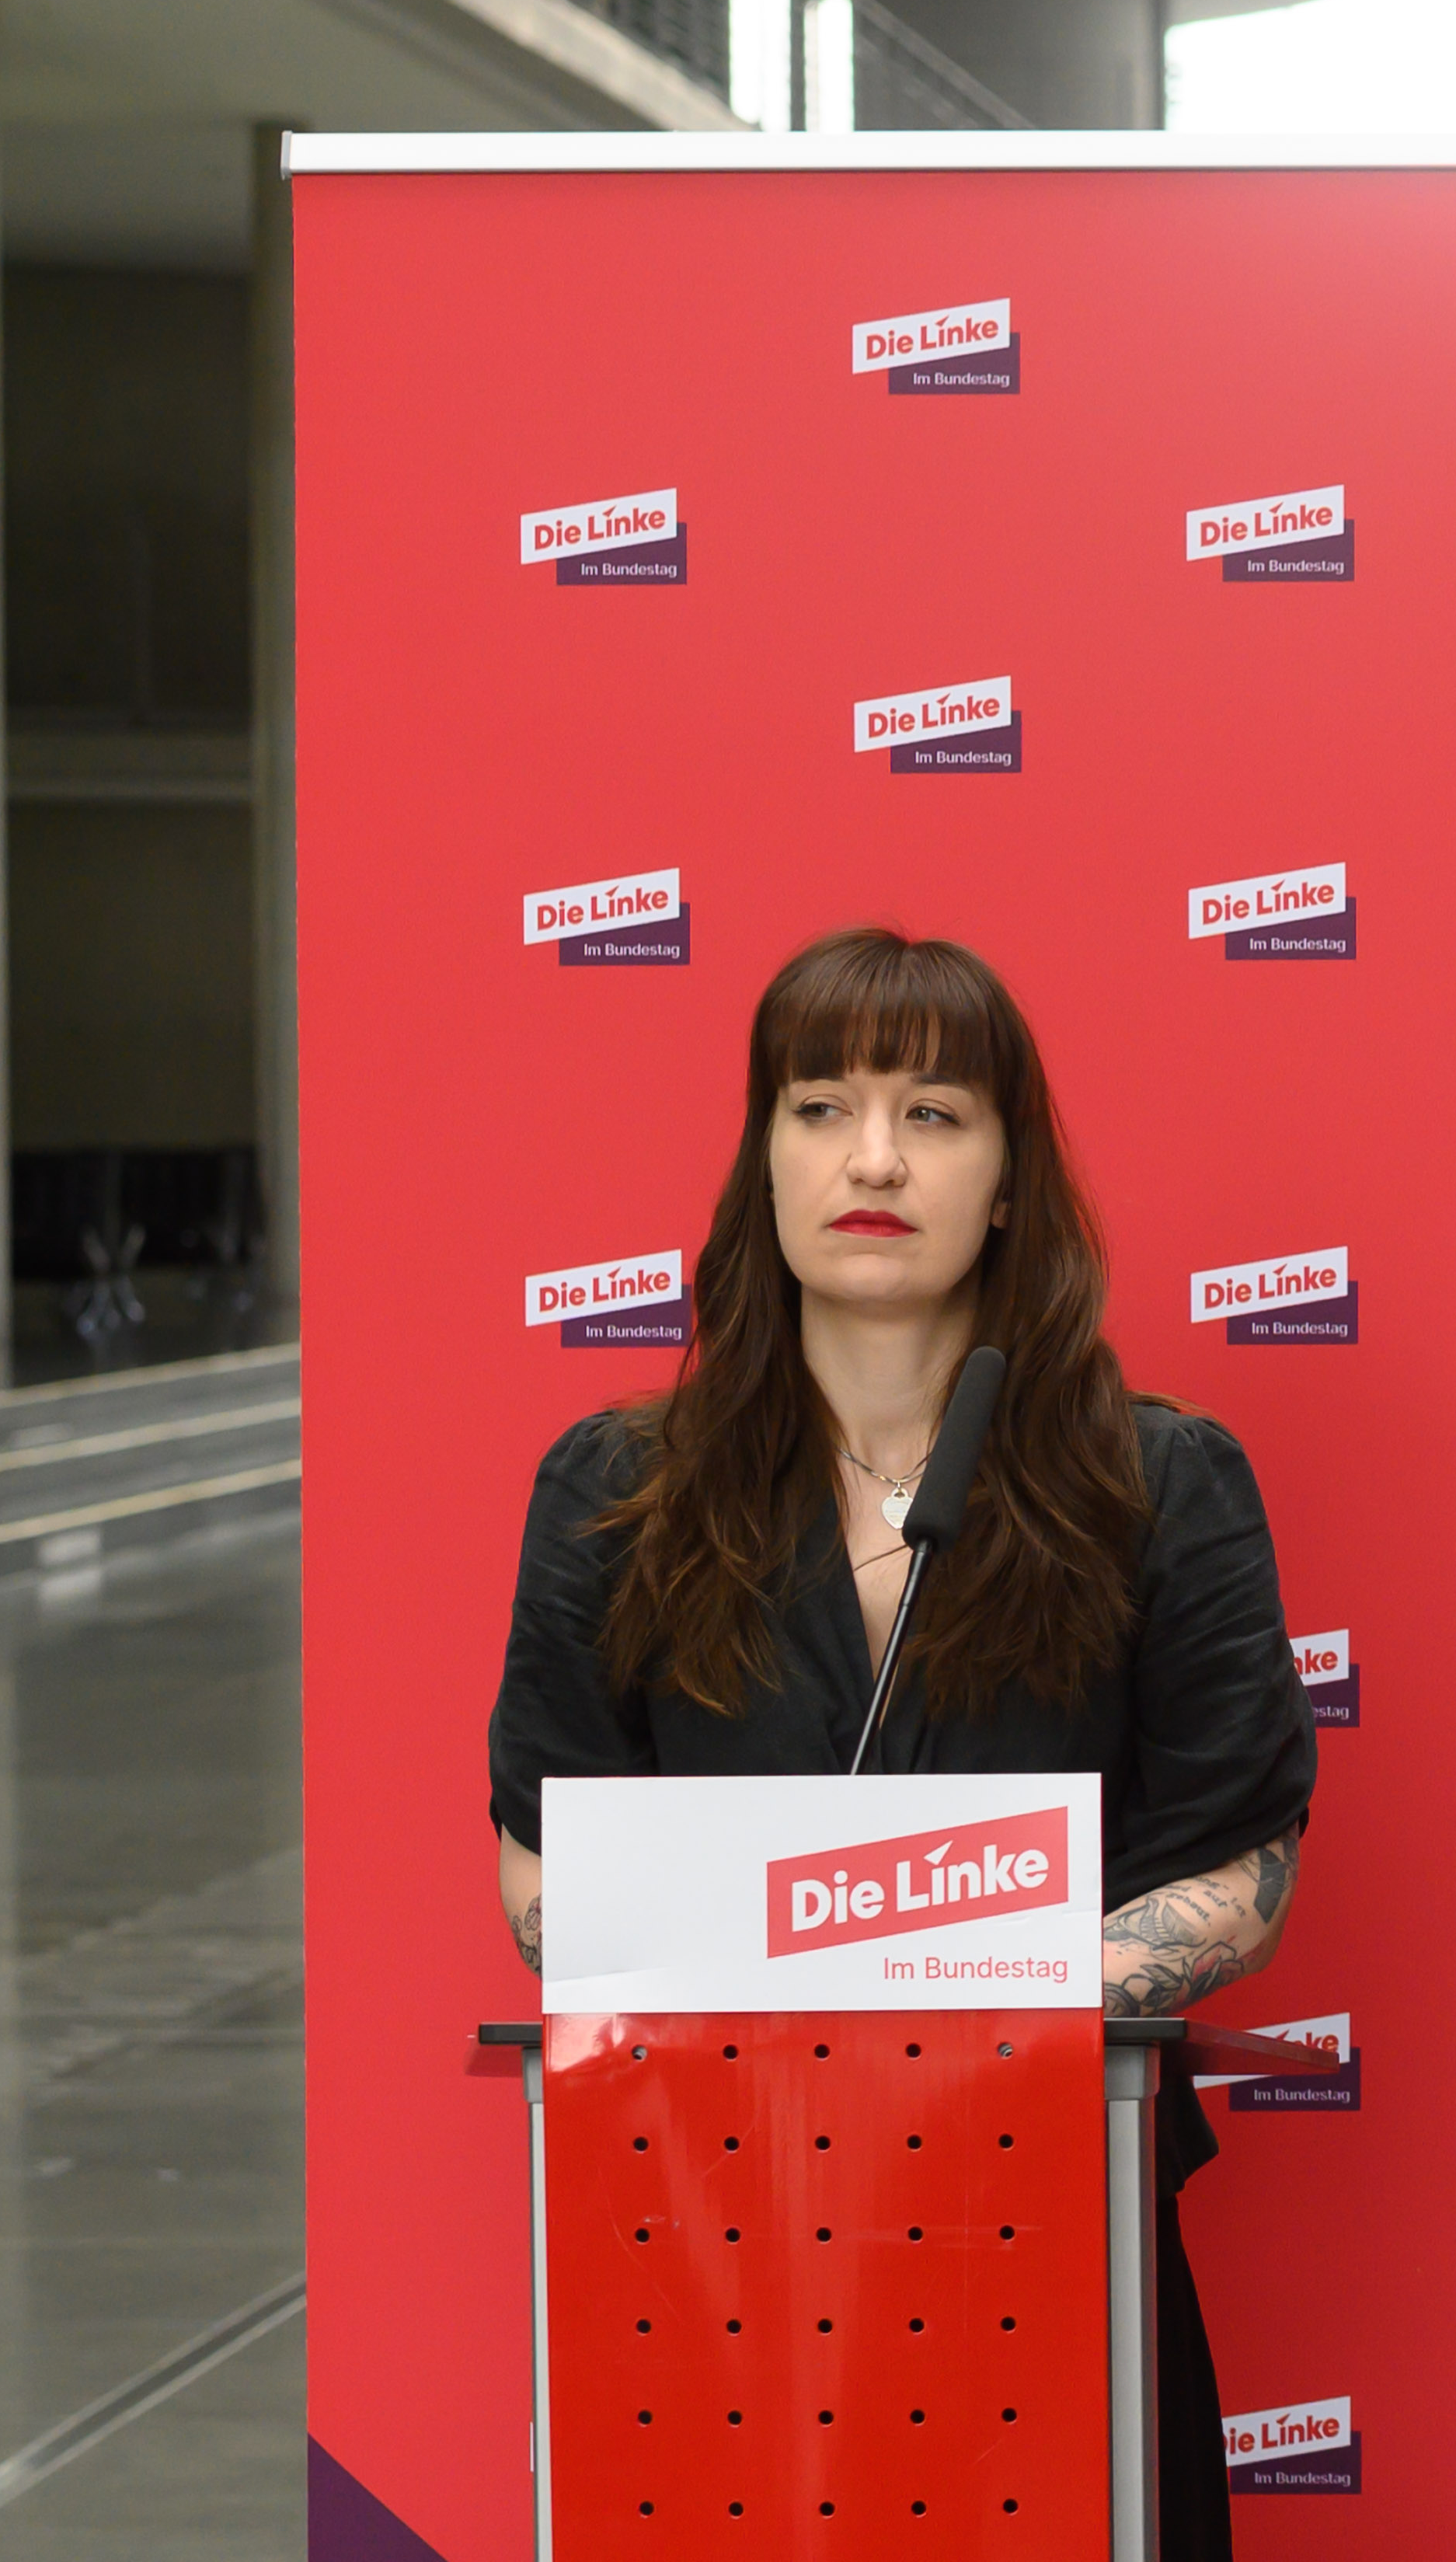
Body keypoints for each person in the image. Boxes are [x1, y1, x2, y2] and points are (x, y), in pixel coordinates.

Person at [486, 927, 1315, 2559]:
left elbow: (1240, 1867)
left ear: (1007, 1180)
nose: (873, 1158)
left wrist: (941, 2015)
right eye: (821, 1107)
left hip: (1053, 2228)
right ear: (765, 1157)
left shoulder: (1158, 1485)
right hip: (704, 2258)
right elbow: (545, 1870)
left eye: (933, 1113)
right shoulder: (615, 1490)